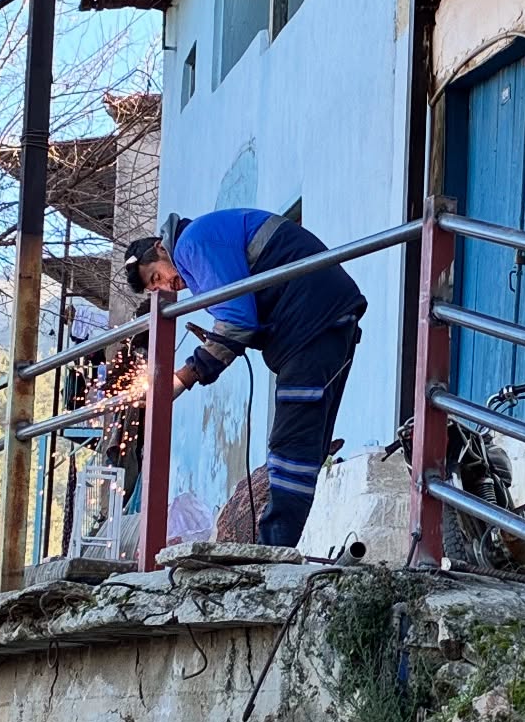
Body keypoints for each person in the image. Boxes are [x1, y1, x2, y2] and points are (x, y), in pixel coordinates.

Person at [124, 210, 365, 548]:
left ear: (160, 249)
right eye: (157, 287)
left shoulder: (191, 245)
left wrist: (185, 377)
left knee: (291, 449)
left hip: (312, 324)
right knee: (307, 451)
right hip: (326, 322)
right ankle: (281, 549)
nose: (166, 286)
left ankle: (270, 553)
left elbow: (238, 320)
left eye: (156, 277)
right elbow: (240, 314)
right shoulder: (204, 247)